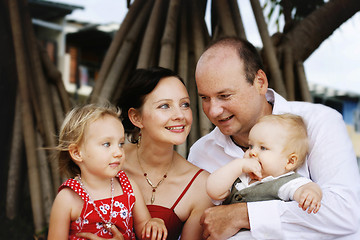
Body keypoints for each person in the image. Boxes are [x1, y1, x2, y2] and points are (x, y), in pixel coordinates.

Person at [188, 36, 360, 239]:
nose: (214, 111)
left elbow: (345, 213)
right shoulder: (202, 153)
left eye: (225, 96)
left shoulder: (317, 123)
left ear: (259, 82)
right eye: (205, 98)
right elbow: (202, 224)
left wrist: (243, 215)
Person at [117, 66, 214, 240]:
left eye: (185, 104)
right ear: (136, 117)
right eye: (164, 106)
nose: (180, 115)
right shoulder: (110, 162)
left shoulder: (201, 186)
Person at [48, 104, 167, 240]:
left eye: (121, 144)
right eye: (107, 144)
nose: (118, 152)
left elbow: (144, 230)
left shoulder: (128, 187)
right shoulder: (67, 199)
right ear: (77, 153)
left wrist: (154, 223)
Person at [207, 114, 321, 215]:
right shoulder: (240, 176)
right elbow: (213, 190)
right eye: (250, 146)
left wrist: (310, 194)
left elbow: (306, 188)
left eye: (263, 148)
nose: (252, 152)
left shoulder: (287, 183)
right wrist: (238, 165)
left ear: (290, 162)